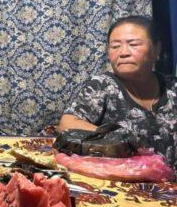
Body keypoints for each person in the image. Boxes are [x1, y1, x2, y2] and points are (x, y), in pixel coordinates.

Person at [58, 15, 177, 169]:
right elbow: (68, 123)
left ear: (156, 49)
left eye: (133, 44)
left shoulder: (172, 86)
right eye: (115, 46)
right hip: (123, 186)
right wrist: (119, 139)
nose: (123, 53)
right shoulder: (103, 85)